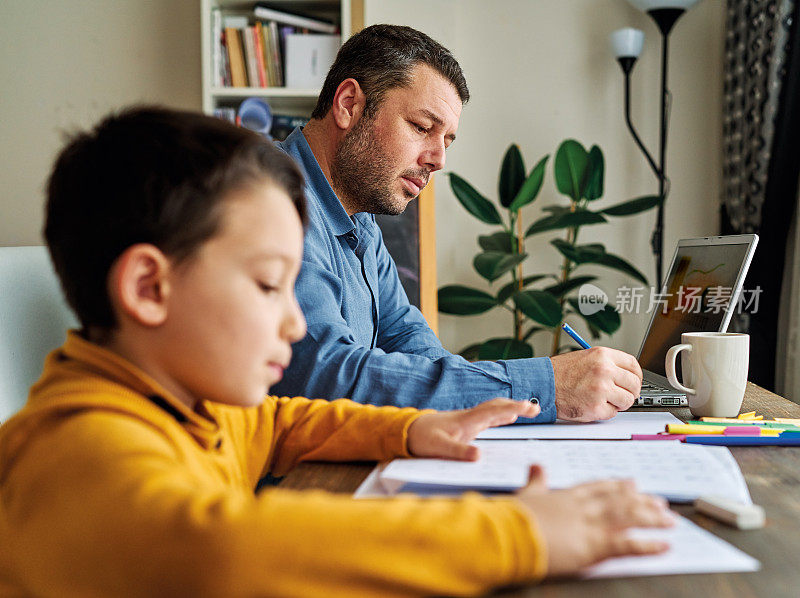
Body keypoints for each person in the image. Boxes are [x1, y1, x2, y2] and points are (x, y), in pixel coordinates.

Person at [0, 107, 672, 597]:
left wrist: (414, 427)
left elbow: (279, 422)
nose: (295, 325)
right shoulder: (81, 453)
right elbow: (226, 552)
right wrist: (517, 533)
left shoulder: (189, 405)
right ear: (150, 287)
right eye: (269, 285)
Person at [272, 24, 645, 423]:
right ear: (348, 104)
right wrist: (546, 385)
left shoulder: (358, 215)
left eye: (447, 140)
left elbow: (409, 341)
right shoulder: (270, 200)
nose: (438, 159)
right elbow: (328, 376)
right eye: (421, 127)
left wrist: (508, 396)